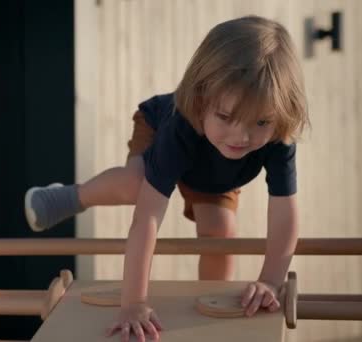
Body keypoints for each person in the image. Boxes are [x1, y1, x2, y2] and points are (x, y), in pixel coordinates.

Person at [25, 15, 309, 342]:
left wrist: (271, 281)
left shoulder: (277, 136)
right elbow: (147, 217)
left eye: (260, 122)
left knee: (220, 230)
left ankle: (210, 297)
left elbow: (285, 211)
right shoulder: (180, 127)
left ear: (281, 112)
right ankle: (72, 196)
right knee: (135, 183)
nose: (241, 136)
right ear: (202, 99)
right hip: (161, 131)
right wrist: (134, 302)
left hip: (214, 174)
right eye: (226, 116)